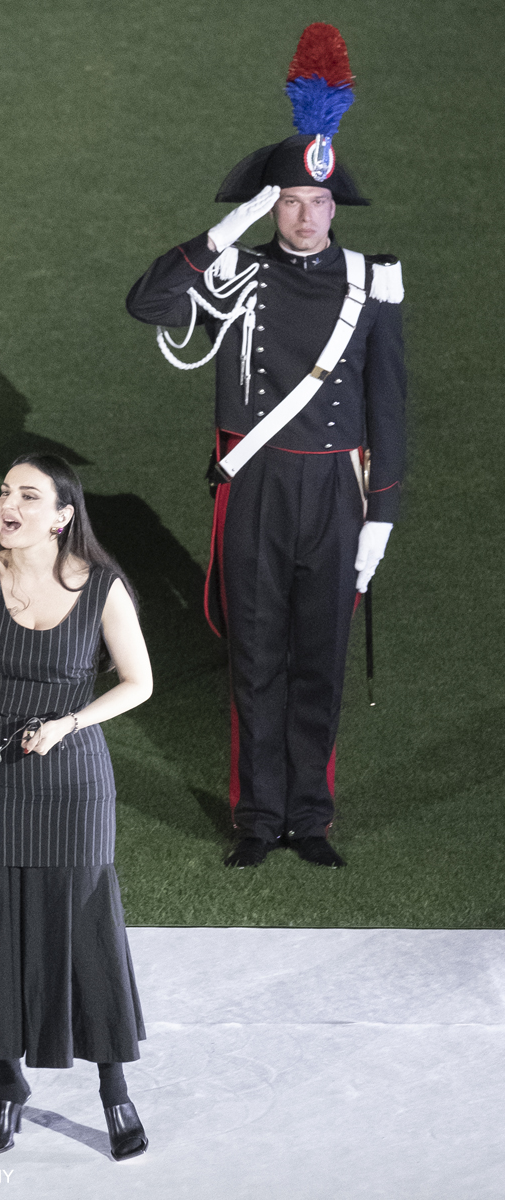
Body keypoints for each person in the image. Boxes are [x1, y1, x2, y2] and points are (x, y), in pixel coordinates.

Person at [126, 24, 406, 870]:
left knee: (319, 657)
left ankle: (310, 819)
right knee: (254, 655)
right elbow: (146, 304)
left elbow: (388, 401)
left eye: (318, 203)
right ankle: (257, 818)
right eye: (288, 202)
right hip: (253, 488)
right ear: (270, 206)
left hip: (334, 495)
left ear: (335, 207)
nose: (306, 216)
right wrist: (223, 230)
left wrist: (382, 512)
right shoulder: (238, 274)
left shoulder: (371, 280)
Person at [0, 454, 152, 1161]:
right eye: (5, 493)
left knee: (85, 928)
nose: (9, 503)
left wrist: (71, 724)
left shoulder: (101, 586)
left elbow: (138, 682)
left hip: (75, 779)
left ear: (62, 516)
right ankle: (8, 1086)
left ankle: (114, 1092)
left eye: (28, 495)